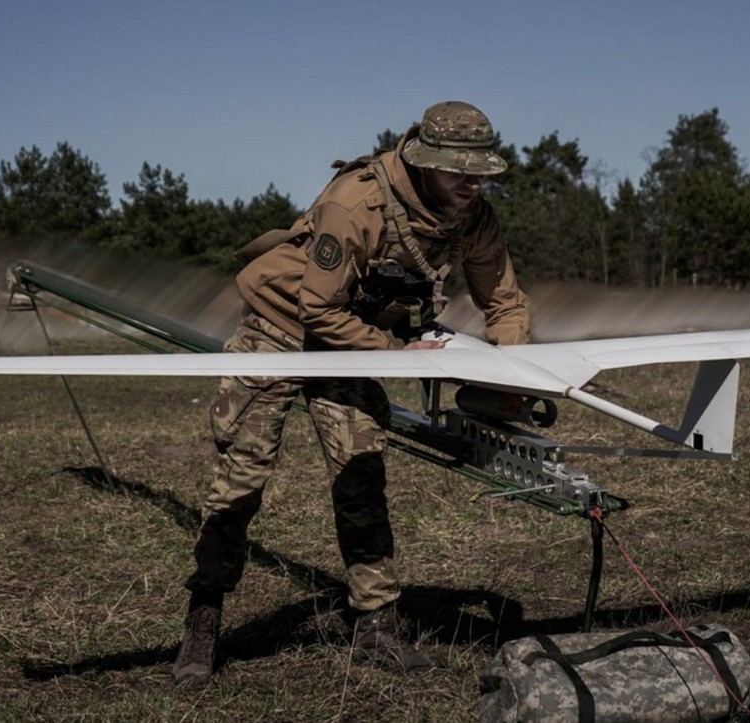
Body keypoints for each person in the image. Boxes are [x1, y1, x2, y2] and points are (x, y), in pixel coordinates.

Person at [172, 101, 530, 684]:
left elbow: (506, 303)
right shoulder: (356, 202)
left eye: (481, 171)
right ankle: (203, 621)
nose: (472, 181)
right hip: (279, 330)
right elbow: (317, 306)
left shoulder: (474, 218)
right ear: (423, 163)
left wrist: (509, 382)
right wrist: (394, 356)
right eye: (457, 169)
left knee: (362, 473)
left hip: (354, 340)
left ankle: (377, 630)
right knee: (241, 477)